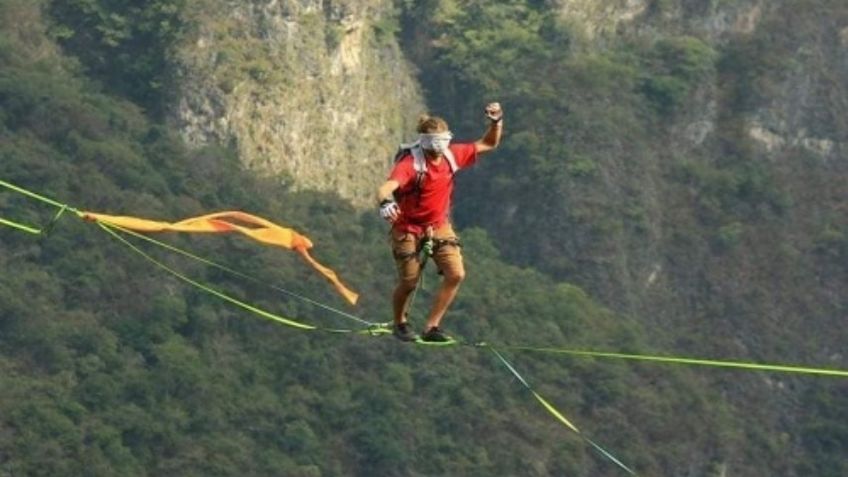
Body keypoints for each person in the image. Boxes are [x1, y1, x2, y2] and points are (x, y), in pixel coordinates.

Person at [376, 102, 503, 342]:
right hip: (408, 228)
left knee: (456, 273)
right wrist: (386, 202)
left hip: (438, 225)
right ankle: (400, 322)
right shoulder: (410, 165)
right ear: (423, 141)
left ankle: (432, 326)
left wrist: (496, 122)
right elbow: (386, 187)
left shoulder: (451, 155)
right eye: (433, 142)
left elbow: (488, 143)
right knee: (409, 281)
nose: (437, 148)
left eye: (441, 141)